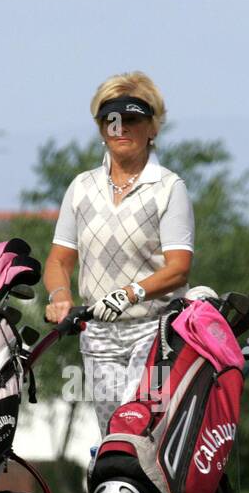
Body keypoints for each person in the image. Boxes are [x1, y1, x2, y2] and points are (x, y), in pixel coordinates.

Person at [42, 71, 195, 433]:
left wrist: (130, 293)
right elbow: (59, 260)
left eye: (132, 119)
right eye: (110, 119)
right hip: (97, 336)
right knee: (113, 435)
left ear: (153, 128)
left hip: (154, 331)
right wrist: (60, 295)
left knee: (141, 430)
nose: (120, 128)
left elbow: (179, 269)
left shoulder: (169, 188)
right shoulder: (81, 187)